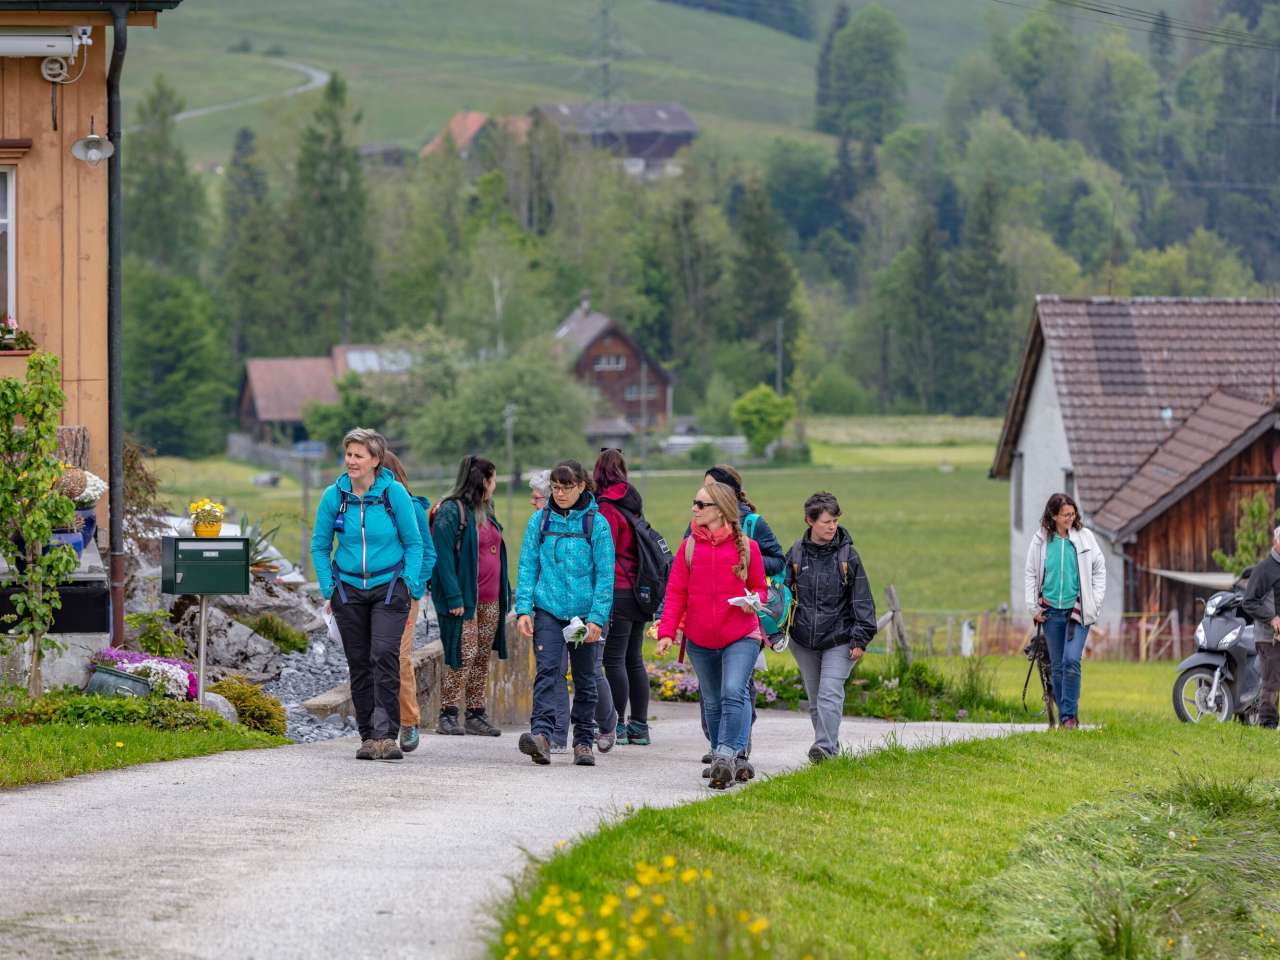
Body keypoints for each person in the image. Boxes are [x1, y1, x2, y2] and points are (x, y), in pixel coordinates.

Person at [311, 428, 424, 761]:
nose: (351, 461)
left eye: (359, 455)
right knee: (359, 664)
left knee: (384, 655)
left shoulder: (395, 494)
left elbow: (414, 543)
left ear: (376, 460)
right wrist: (328, 588)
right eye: (348, 454)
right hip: (348, 590)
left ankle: (387, 735)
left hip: (389, 588)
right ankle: (368, 737)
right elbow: (319, 545)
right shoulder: (334, 496)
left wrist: (409, 583)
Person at [657, 480, 767, 789]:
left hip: (741, 635)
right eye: (694, 503)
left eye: (700, 504)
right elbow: (676, 591)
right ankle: (726, 757)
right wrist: (667, 632)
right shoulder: (689, 547)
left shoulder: (749, 548)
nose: (694, 508)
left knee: (734, 691)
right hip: (700, 639)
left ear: (720, 511)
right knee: (713, 700)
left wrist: (752, 601)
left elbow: (760, 587)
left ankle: (726, 754)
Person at [683, 465, 784, 772]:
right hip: (705, 627)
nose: (699, 502)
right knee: (715, 694)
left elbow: (778, 559)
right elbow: (682, 571)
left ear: (726, 496)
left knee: (736, 689)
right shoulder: (696, 527)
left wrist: (741, 559)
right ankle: (721, 750)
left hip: (743, 621)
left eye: (710, 490)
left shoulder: (753, 525)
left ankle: (736, 750)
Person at [515, 459, 615, 767]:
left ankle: (583, 740)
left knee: (585, 677)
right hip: (549, 610)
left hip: (585, 616)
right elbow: (527, 564)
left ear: (581, 486)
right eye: (555, 488)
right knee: (547, 671)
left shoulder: (596, 524)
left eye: (566, 487)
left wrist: (597, 618)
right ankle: (542, 736)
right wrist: (523, 609)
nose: (560, 494)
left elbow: (605, 574)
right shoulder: (540, 521)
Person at [784, 492, 877, 763]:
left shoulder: (849, 556)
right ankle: (828, 752)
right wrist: (779, 631)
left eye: (835, 520)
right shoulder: (796, 554)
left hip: (840, 638)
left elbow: (862, 599)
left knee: (829, 693)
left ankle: (823, 748)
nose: (831, 526)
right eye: (826, 521)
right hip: (802, 639)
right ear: (809, 521)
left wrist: (860, 638)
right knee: (816, 700)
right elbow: (782, 596)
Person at [429, 455, 510, 738]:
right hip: (464, 601)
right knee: (462, 654)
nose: (495, 484)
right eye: (494, 478)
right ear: (484, 480)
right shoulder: (452, 511)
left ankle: (476, 713)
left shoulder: (487, 509)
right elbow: (442, 558)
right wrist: (453, 598)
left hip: (491, 599)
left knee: (481, 656)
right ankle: (448, 713)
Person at [1023, 492, 1106, 729]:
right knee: (1057, 666)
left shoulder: (1085, 537)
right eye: (1065, 515)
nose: (1070, 518)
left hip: (1078, 611)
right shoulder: (1040, 541)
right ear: (1053, 516)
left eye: (1072, 514)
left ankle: (1068, 717)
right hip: (1050, 612)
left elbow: (1099, 569)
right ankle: (1067, 717)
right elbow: (1030, 573)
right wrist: (1033, 607)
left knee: (1071, 660)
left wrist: (1095, 600)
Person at [595, 448, 655, 746]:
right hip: (639, 590)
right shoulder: (632, 503)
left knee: (613, 660)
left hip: (617, 590)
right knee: (634, 659)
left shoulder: (607, 507)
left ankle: (615, 724)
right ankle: (640, 726)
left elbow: (606, 552)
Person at [379, 451, 438, 754]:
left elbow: (427, 552)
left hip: (402, 593)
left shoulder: (410, 508)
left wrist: (413, 588)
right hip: (370, 592)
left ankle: (408, 720)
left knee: (398, 657)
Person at [1241, 525, 1280, 729]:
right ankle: (1267, 725)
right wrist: (1271, 618)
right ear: (1276, 542)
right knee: (1271, 683)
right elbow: (1248, 602)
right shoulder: (1263, 570)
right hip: (1268, 637)